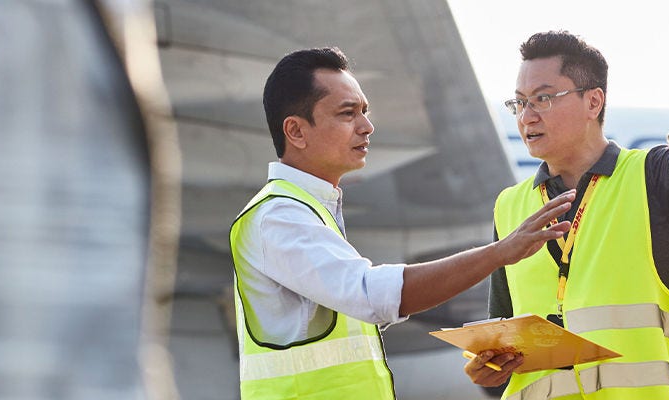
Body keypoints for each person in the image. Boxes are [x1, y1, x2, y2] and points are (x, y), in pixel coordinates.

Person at [229, 46, 576, 399]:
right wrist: (500, 253)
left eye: (364, 111)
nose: (368, 126)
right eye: (348, 113)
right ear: (296, 132)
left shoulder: (309, 211)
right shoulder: (279, 216)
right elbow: (372, 296)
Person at [462, 31, 669, 400]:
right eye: (519, 103)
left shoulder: (654, 175)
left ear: (593, 102)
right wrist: (489, 367)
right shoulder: (509, 206)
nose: (527, 116)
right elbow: (503, 332)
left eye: (543, 99)